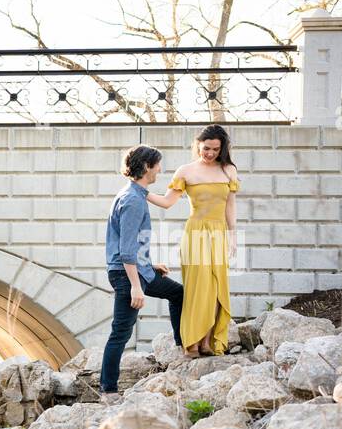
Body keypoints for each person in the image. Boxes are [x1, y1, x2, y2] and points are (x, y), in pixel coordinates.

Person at [145, 123, 239, 356]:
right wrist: (141, 191)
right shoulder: (185, 171)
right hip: (195, 233)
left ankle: (207, 342)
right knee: (198, 288)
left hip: (219, 233)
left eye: (216, 150)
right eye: (206, 148)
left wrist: (233, 235)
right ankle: (192, 343)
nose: (210, 153)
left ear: (222, 149)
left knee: (217, 287)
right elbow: (167, 202)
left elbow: (230, 204)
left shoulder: (229, 170)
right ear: (198, 145)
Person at [101, 144, 183, 402]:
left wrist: (150, 264)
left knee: (177, 293)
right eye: (158, 164)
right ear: (147, 167)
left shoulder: (133, 194)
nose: (160, 169)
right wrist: (136, 286)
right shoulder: (133, 200)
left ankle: (182, 349)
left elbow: (133, 247)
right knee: (121, 332)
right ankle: (108, 391)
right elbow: (126, 250)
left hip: (139, 270)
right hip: (127, 275)